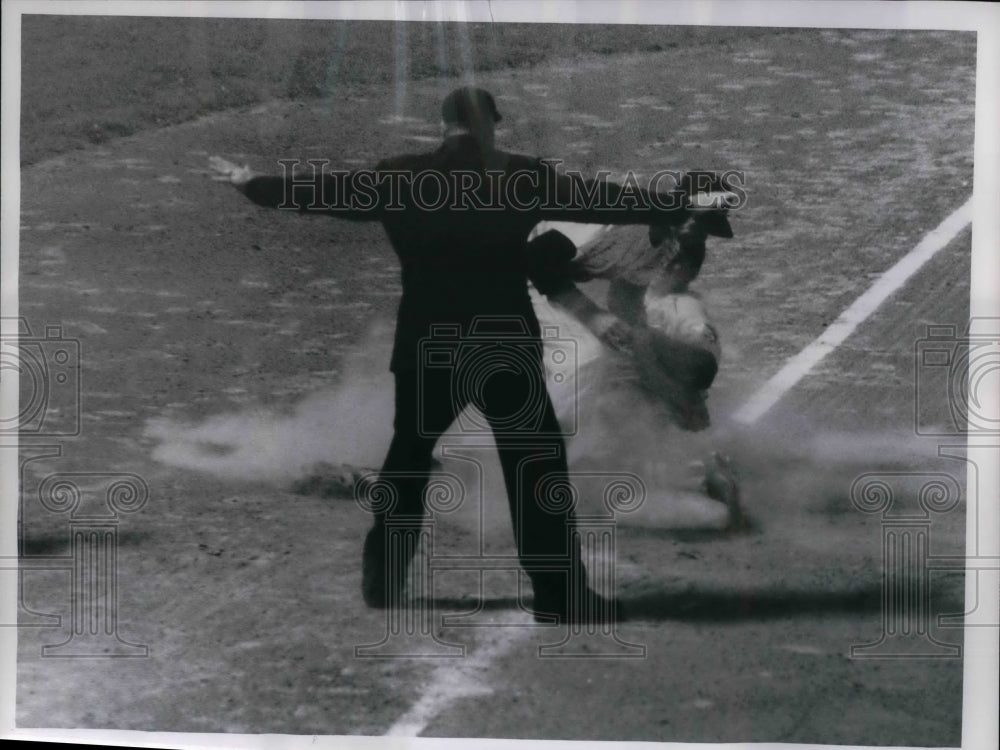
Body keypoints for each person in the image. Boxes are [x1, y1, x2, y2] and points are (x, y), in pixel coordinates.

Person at [211, 86, 721, 623]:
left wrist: (253, 184)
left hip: (426, 342)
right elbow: (601, 198)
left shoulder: (398, 175)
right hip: (502, 341)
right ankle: (560, 597)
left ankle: (382, 582)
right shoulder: (522, 175)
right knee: (534, 473)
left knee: (406, 464)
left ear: (444, 125)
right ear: (492, 126)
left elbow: (323, 193)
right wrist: (677, 202)